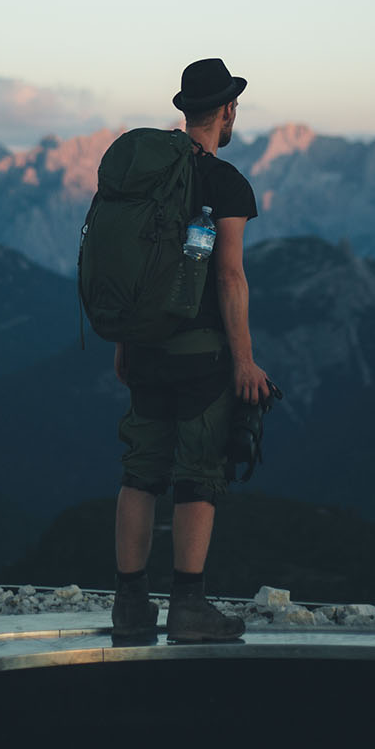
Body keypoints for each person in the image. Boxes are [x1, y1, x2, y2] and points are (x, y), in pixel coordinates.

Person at [111, 57, 272, 642]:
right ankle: (188, 607)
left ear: (185, 110)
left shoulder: (148, 180)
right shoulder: (226, 183)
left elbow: (136, 268)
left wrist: (127, 340)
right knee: (198, 474)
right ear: (226, 111)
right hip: (201, 354)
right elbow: (228, 276)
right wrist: (246, 359)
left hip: (147, 345)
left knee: (140, 472)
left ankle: (129, 606)